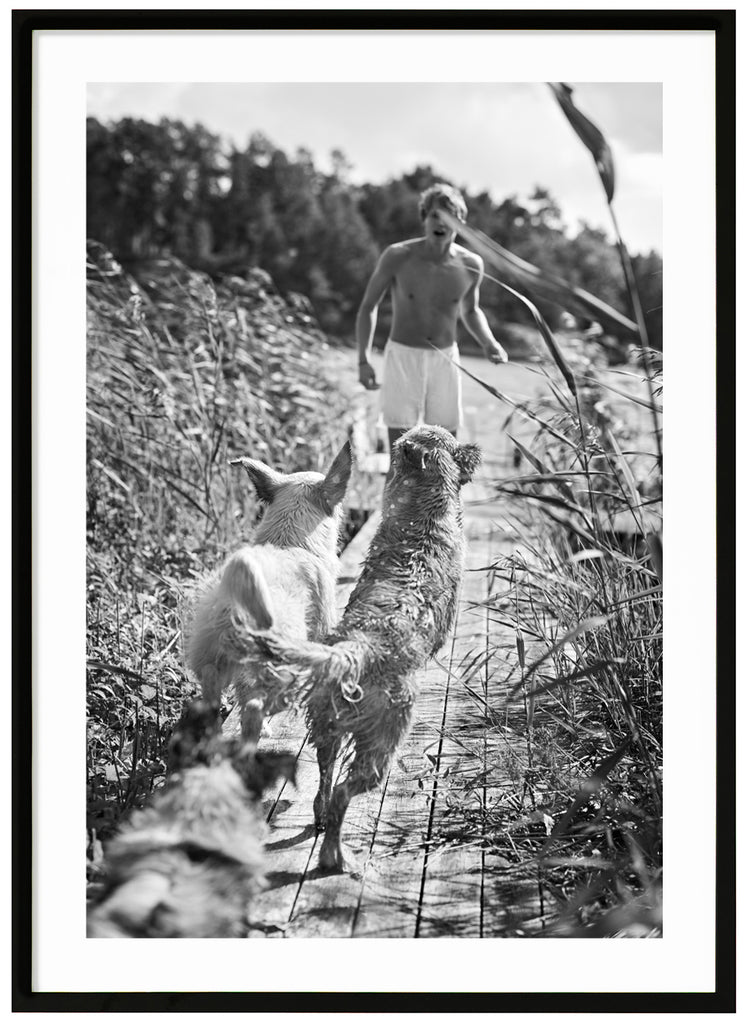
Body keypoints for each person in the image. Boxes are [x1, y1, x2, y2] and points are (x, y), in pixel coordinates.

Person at [356, 183, 508, 456]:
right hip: (402, 357)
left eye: (449, 217)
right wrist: (363, 360)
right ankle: (393, 500)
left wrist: (489, 342)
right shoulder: (398, 256)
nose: (440, 223)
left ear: (460, 224)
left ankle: (443, 500)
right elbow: (368, 306)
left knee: (446, 456)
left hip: (445, 360)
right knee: (400, 458)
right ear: (424, 218)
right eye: (435, 215)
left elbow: (471, 310)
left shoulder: (471, 264)